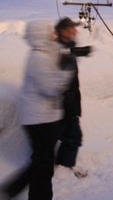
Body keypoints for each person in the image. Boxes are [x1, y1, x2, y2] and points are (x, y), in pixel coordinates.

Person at [2, 20, 74, 200]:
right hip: (39, 120)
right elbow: (51, 88)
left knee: (43, 161)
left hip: (44, 117)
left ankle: (13, 189)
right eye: (50, 32)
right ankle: (25, 192)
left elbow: (61, 53)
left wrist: (69, 52)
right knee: (44, 165)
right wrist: (67, 69)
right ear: (41, 34)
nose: (53, 34)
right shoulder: (39, 58)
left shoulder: (45, 53)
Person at [54, 17, 92, 178]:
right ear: (63, 31)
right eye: (71, 29)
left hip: (69, 101)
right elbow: (61, 56)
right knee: (73, 135)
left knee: (70, 135)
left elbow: (67, 52)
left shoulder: (67, 46)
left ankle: (62, 164)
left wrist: (81, 51)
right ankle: (63, 165)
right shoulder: (56, 48)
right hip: (62, 103)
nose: (75, 31)